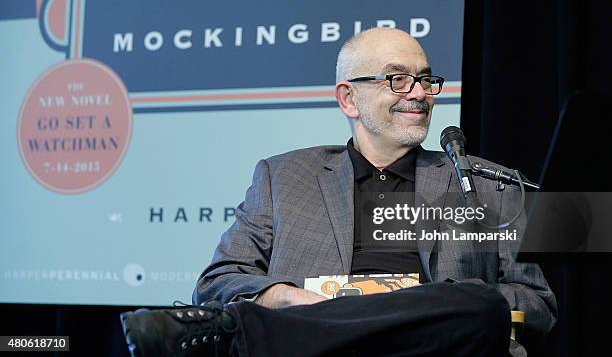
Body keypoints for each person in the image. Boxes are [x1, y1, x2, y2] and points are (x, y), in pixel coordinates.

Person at [120, 27, 557, 356]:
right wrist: (293, 298)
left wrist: (419, 305)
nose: (420, 94)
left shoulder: (486, 184)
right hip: (320, 352)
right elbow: (218, 281)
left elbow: (537, 303)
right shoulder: (282, 177)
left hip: (434, 349)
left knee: (475, 302)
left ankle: (237, 331)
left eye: (426, 80)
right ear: (348, 99)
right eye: (397, 80)